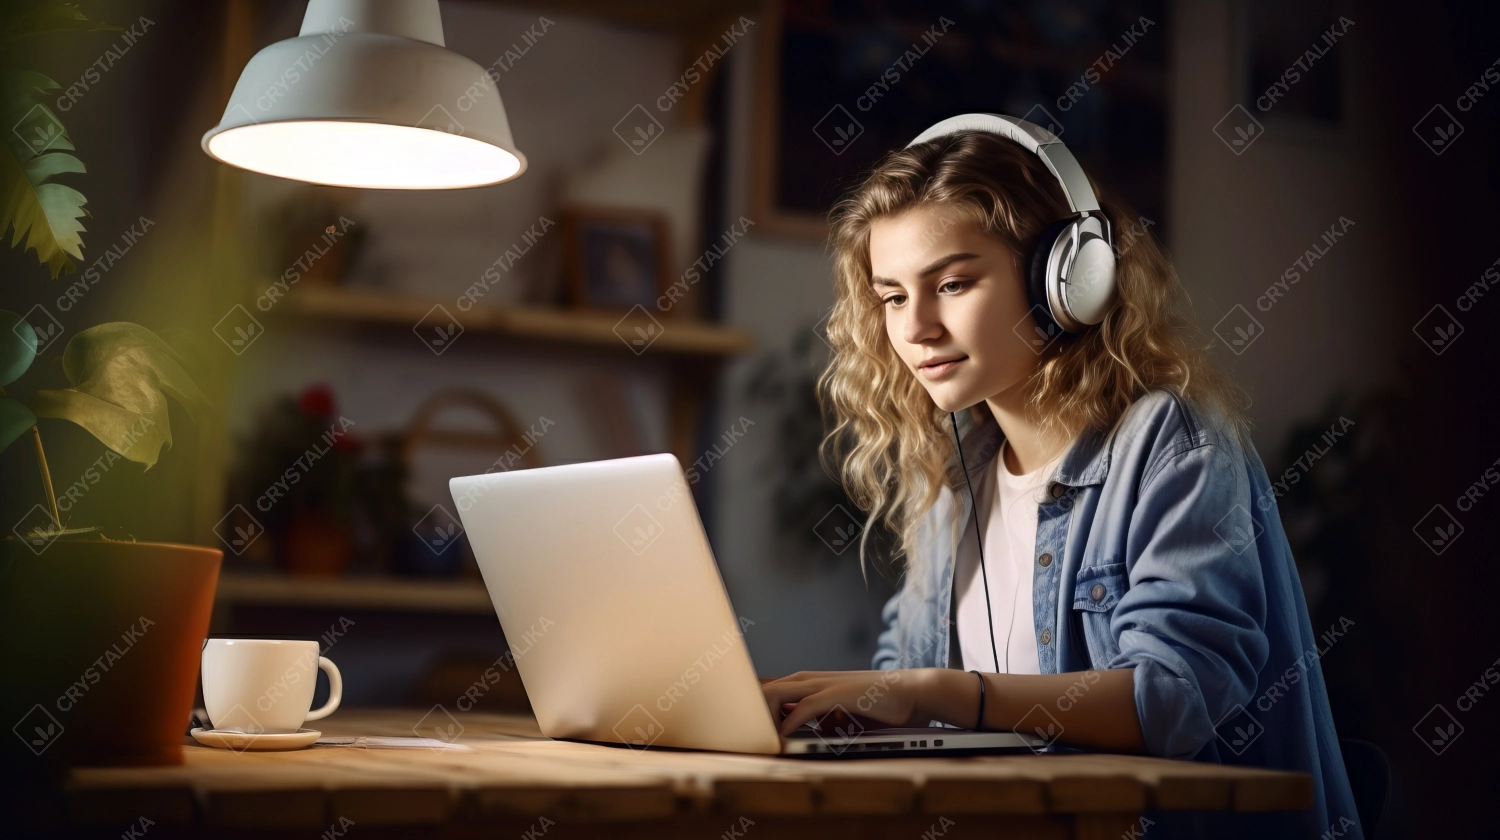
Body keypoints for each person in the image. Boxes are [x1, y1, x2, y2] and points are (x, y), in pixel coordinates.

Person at [759, 117, 1362, 839]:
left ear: (1067, 281)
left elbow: (1179, 698)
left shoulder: (1169, 444)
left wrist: (939, 693)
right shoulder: (955, 477)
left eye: (951, 282)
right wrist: (829, 709)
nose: (914, 326)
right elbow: (905, 669)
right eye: (891, 296)